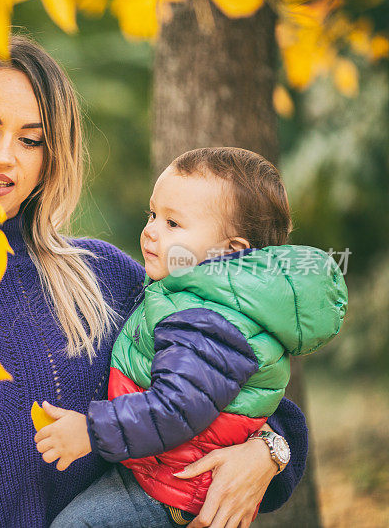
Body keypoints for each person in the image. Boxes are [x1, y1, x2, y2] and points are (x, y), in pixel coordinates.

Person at [0, 37, 311, 527]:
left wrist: (267, 454)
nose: (5, 156)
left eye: (31, 140)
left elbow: (238, 384)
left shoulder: (103, 277)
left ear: (51, 159)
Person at [41, 147, 347, 527]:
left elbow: (176, 409)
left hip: (169, 496)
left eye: (173, 223)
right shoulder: (187, 296)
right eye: (152, 214)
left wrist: (91, 429)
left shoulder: (207, 320)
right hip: (157, 475)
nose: (151, 230)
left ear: (230, 252)